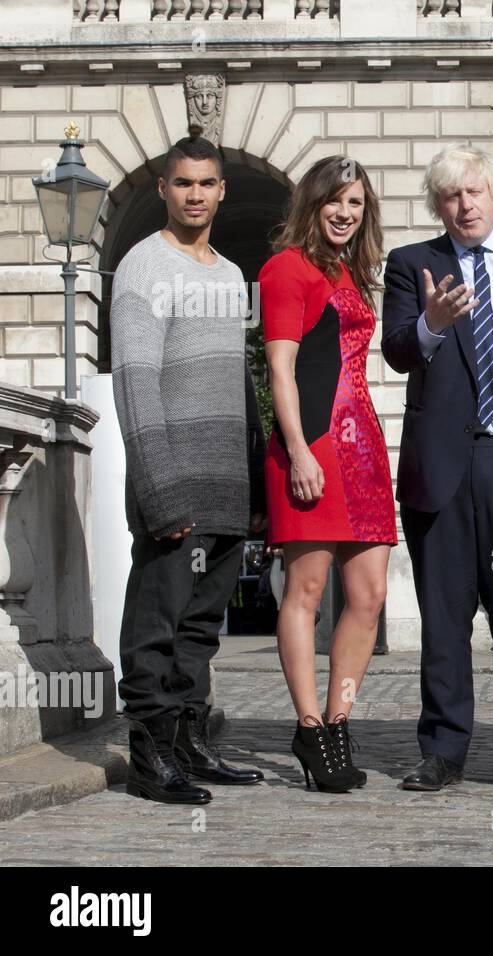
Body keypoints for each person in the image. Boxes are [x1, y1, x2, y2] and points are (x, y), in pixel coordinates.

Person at [381, 147, 493, 798]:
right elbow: (398, 350)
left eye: (475, 191)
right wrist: (430, 326)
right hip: (442, 463)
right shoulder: (413, 265)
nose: (465, 205)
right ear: (438, 206)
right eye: (451, 196)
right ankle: (443, 749)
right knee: (444, 613)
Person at [112, 135, 265, 804]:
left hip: (228, 485)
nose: (195, 195)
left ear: (221, 190)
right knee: (156, 625)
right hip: (173, 484)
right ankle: (149, 758)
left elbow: (238, 384)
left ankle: (189, 743)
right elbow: (135, 383)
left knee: (201, 630)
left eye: (206, 183)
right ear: (163, 190)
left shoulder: (231, 277)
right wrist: (160, 490)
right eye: (183, 184)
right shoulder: (143, 268)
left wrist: (255, 482)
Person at [260, 155, 395, 793]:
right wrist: (299, 450)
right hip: (312, 443)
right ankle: (310, 726)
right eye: (334, 201)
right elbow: (280, 370)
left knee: (369, 596)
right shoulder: (286, 269)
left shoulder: (348, 271)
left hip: (363, 446)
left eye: (357, 203)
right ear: (312, 205)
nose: (345, 213)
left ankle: (339, 721)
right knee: (306, 594)